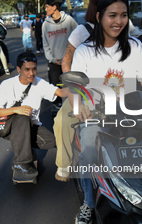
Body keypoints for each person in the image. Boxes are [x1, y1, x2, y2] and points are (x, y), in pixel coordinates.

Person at [67, 0, 142, 224]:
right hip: (98, 113)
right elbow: (76, 88)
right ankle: (89, 203)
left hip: (132, 109)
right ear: (100, 16)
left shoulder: (135, 46)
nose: (118, 21)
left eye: (123, 15)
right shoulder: (85, 51)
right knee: (89, 151)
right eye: (112, 15)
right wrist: (78, 105)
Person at [0, 52, 67, 178]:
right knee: (23, 116)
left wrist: (78, 91)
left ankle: (25, 148)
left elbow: (59, 92)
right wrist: (16, 110)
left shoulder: (39, 83)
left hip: (30, 127)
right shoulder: (7, 85)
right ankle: (20, 162)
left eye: (34, 69)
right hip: (10, 127)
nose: (31, 73)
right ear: (19, 69)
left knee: (52, 142)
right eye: (27, 70)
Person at [53, 0, 97, 182]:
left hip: (115, 89)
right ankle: (64, 164)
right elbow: (66, 60)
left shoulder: (125, 30)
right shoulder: (83, 31)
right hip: (84, 90)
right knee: (62, 120)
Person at [42, 0, 77, 108]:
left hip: (69, 63)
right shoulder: (45, 24)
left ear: (55, 7)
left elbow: (78, 36)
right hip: (54, 63)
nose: (45, 9)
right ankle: (56, 110)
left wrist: (72, 55)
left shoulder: (69, 21)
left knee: (72, 88)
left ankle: (72, 108)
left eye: (47, 7)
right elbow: (45, 45)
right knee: (55, 89)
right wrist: (52, 59)